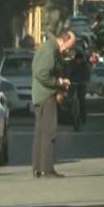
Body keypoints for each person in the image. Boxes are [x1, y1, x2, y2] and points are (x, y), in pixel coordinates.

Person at [30, 30, 75, 177]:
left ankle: (38, 167)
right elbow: (41, 73)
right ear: (63, 40)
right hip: (46, 95)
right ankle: (47, 169)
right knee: (49, 132)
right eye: (68, 45)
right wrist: (59, 82)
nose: (68, 49)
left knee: (40, 133)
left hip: (40, 95)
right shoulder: (51, 50)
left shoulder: (49, 47)